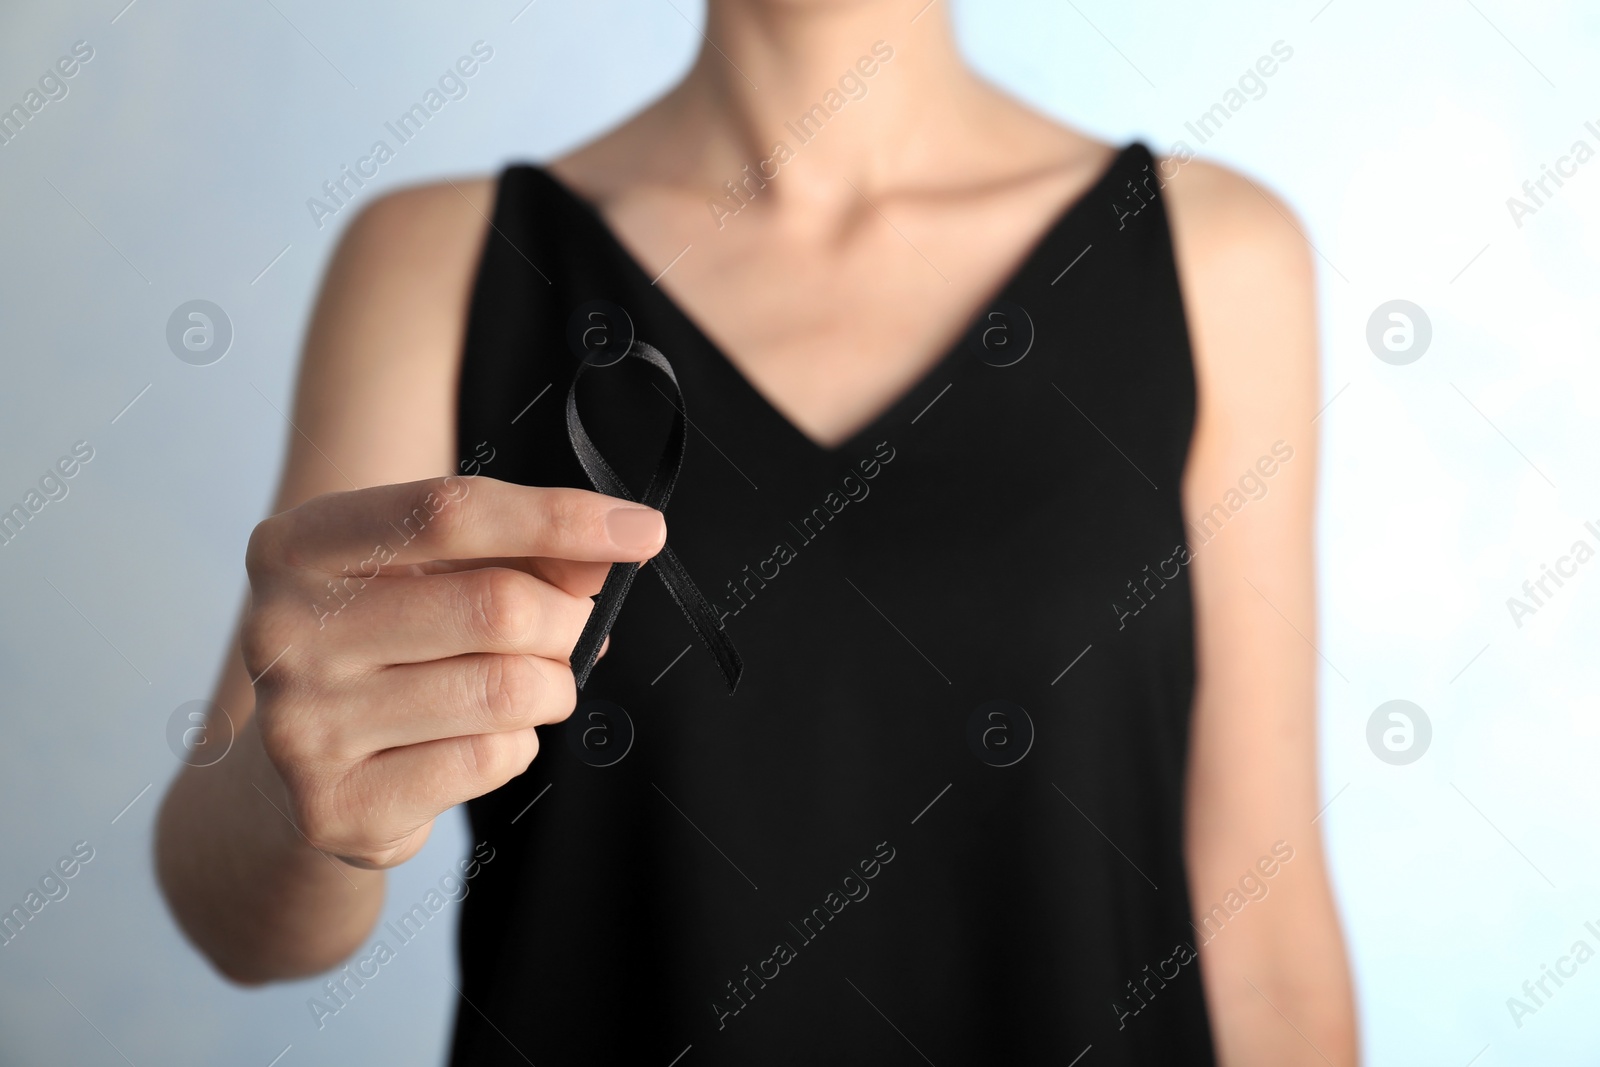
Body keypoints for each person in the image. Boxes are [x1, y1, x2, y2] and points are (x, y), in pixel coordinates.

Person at [156, 1, 1359, 1062]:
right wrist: (290, 785)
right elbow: (242, 918)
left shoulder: (1214, 257)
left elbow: (1260, 924)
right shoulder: (437, 261)